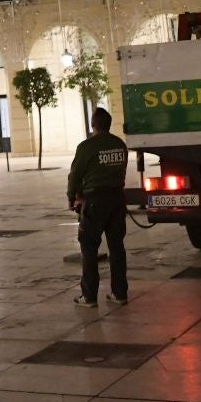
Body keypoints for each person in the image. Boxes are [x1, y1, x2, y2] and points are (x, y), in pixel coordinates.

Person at [66, 106, 128, 307]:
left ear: (93, 125)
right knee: (117, 246)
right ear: (109, 124)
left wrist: (71, 197)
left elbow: (74, 175)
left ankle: (89, 296)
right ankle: (119, 293)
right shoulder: (119, 144)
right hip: (117, 198)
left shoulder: (87, 147)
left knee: (89, 247)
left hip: (95, 201)